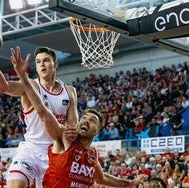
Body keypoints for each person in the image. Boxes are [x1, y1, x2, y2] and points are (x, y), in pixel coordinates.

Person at [11, 48, 144, 188]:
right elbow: (43, 113)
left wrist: (129, 183)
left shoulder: (91, 154)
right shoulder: (64, 139)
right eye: (84, 118)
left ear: (97, 131)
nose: (86, 120)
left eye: (92, 120)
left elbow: (102, 178)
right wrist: (24, 78)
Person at [0, 46, 78, 188]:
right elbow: (4, 87)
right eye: (38, 61)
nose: (42, 64)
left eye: (46, 60)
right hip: (31, 150)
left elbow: (72, 127)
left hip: (56, 153)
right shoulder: (29, 85)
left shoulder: (69, 91)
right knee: (15, 185)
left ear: (55, 64)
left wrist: (71, 134)